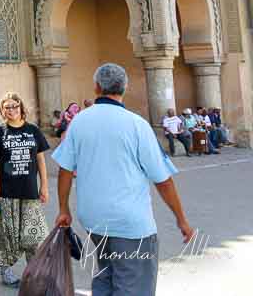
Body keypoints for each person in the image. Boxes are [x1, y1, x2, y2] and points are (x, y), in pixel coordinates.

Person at [53, 63, 194, 296]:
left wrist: (63, 208)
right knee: (133, 285)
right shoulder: (137, 125)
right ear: (124, 88)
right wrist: (181, 219)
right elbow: (162, 180)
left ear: (96, 87)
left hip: (94, 219)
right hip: (130, 225)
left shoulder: (79, 122)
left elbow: (65, 170)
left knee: (106, 275)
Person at [0, 92, 50, 287]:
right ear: (2, 111)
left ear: (22, 108)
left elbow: (40, 159)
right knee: (8, 233)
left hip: (30, 191)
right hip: (7, 191)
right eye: (7, 107)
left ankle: (34, 273)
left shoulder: (33, 131)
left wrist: (44, 186)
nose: (11, 110)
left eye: (14, 106)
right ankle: (6, 272)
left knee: (34, 234)